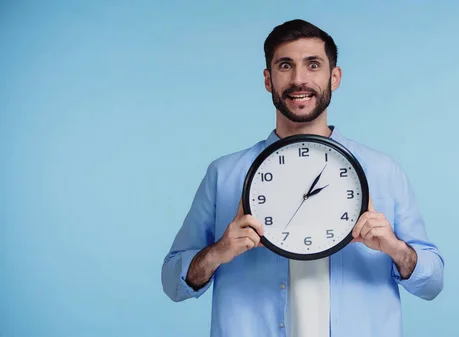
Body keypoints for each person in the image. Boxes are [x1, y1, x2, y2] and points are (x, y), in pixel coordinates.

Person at [161, 19, 444, 337]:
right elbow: (173, 282)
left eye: (313, 65)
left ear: (334, 77)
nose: (299, 79)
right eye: (285, 65)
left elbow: (432, 283)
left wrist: (395, 249)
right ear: (268, 80)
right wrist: (218, 252)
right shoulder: (224, 175)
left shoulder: (382, 171)